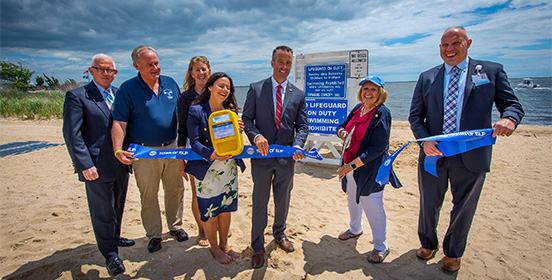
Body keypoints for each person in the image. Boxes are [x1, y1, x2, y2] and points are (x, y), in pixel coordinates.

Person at [408, 26, 524, 272]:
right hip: (433, 154)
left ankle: (453, 253)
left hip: (472, 155)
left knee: (464, 207)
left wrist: (510, 119)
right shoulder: (427, 77)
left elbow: (511, 104)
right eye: (444, 45)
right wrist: (425, 140)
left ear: (468, 43)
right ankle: (428, 243)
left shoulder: (491, 71)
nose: (449, 49)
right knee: (429, 203)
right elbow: (416, 117)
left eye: (455, 43)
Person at [111, 45, 188, 254]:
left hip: (171, 147)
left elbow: (183, 115)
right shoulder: (128, 89)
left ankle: (176, 226)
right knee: (148, 194)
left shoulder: (170, 83)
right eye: (149, 65)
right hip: (144, 152)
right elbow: (119, 122)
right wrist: (118, 149)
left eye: (157, 63)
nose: (155, 67)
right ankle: (154, 234)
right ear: (136, 66)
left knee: (176, 189)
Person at [62, 53, 132, 275]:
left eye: (109, 70)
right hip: (95, 165)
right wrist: (84, 164)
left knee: (118, 205)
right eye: (100, 69)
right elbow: (72, 135)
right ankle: (110, 255)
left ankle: (115, 236)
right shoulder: (78, 96)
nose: (105, 73)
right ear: (90, 71)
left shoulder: (120, 94)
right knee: (102, 211)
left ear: (115, 73)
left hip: (121, 162)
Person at [242, 45, 308, 269]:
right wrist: (257, 135)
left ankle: (279, 234)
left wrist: (298, 145)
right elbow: (247, 119)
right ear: (272, 63)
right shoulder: (256, 88)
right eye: (281, 61)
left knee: (283, 200)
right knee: (259, 202)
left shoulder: (297, 94)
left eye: (288, 63)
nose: (284, 66)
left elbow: (302, 126)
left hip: (286, 161)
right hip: (261, 159)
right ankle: (258, 246)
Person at [336, 75, 402, 264]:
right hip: (350, 166)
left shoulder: (382, 113)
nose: (368, 93)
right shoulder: (358, 108)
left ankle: (381, 246)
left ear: (380, 92)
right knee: (352, 198)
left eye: (373, 89)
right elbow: (342, 125)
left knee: (372, 204)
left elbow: (378, 148)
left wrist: (353, 165)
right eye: (366, 89)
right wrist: (342, 132)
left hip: (369, 169)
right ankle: (355, 229)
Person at [185, 72, 246, 264]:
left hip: (228, 168)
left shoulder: (231, 110)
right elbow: (194, 142)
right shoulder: (196, 110)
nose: (224, 90)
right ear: (210, 87)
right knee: (211, 211)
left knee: (226, 208)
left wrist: (239, 129)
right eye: (220, 86)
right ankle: (214, 248)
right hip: (207, 168)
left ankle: (225, 245)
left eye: (228, 87)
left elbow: (236, 141)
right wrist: (211, 154)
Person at [177, 56, 212, 246]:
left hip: (218, 150)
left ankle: (218, 225)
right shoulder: (185, 97)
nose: (201, 73)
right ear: (191, 73)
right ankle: (202, 230)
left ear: (209, 71)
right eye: (197, 70)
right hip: (194, 149)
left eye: (204, 69)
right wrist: (181, 158)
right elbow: (182, 128)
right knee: (197, 191)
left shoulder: (216, 91)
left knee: (218, 189)